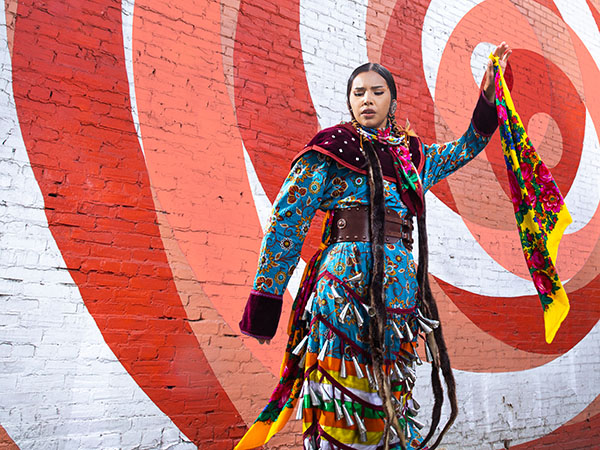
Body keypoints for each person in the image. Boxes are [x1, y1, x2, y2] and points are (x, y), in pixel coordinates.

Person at [236, 43, 511, 450]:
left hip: (399, 292)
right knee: (345, 398)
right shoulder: (331, 150)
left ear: (393, 100)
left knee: (391, 397)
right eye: (358, 92)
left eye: (377, 92)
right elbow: (286, 222)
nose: (367, 99)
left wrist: (488, 99)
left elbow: (466, 146)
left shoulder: (412, 157)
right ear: (349, 101)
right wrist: (265, 304)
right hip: (344, 287)